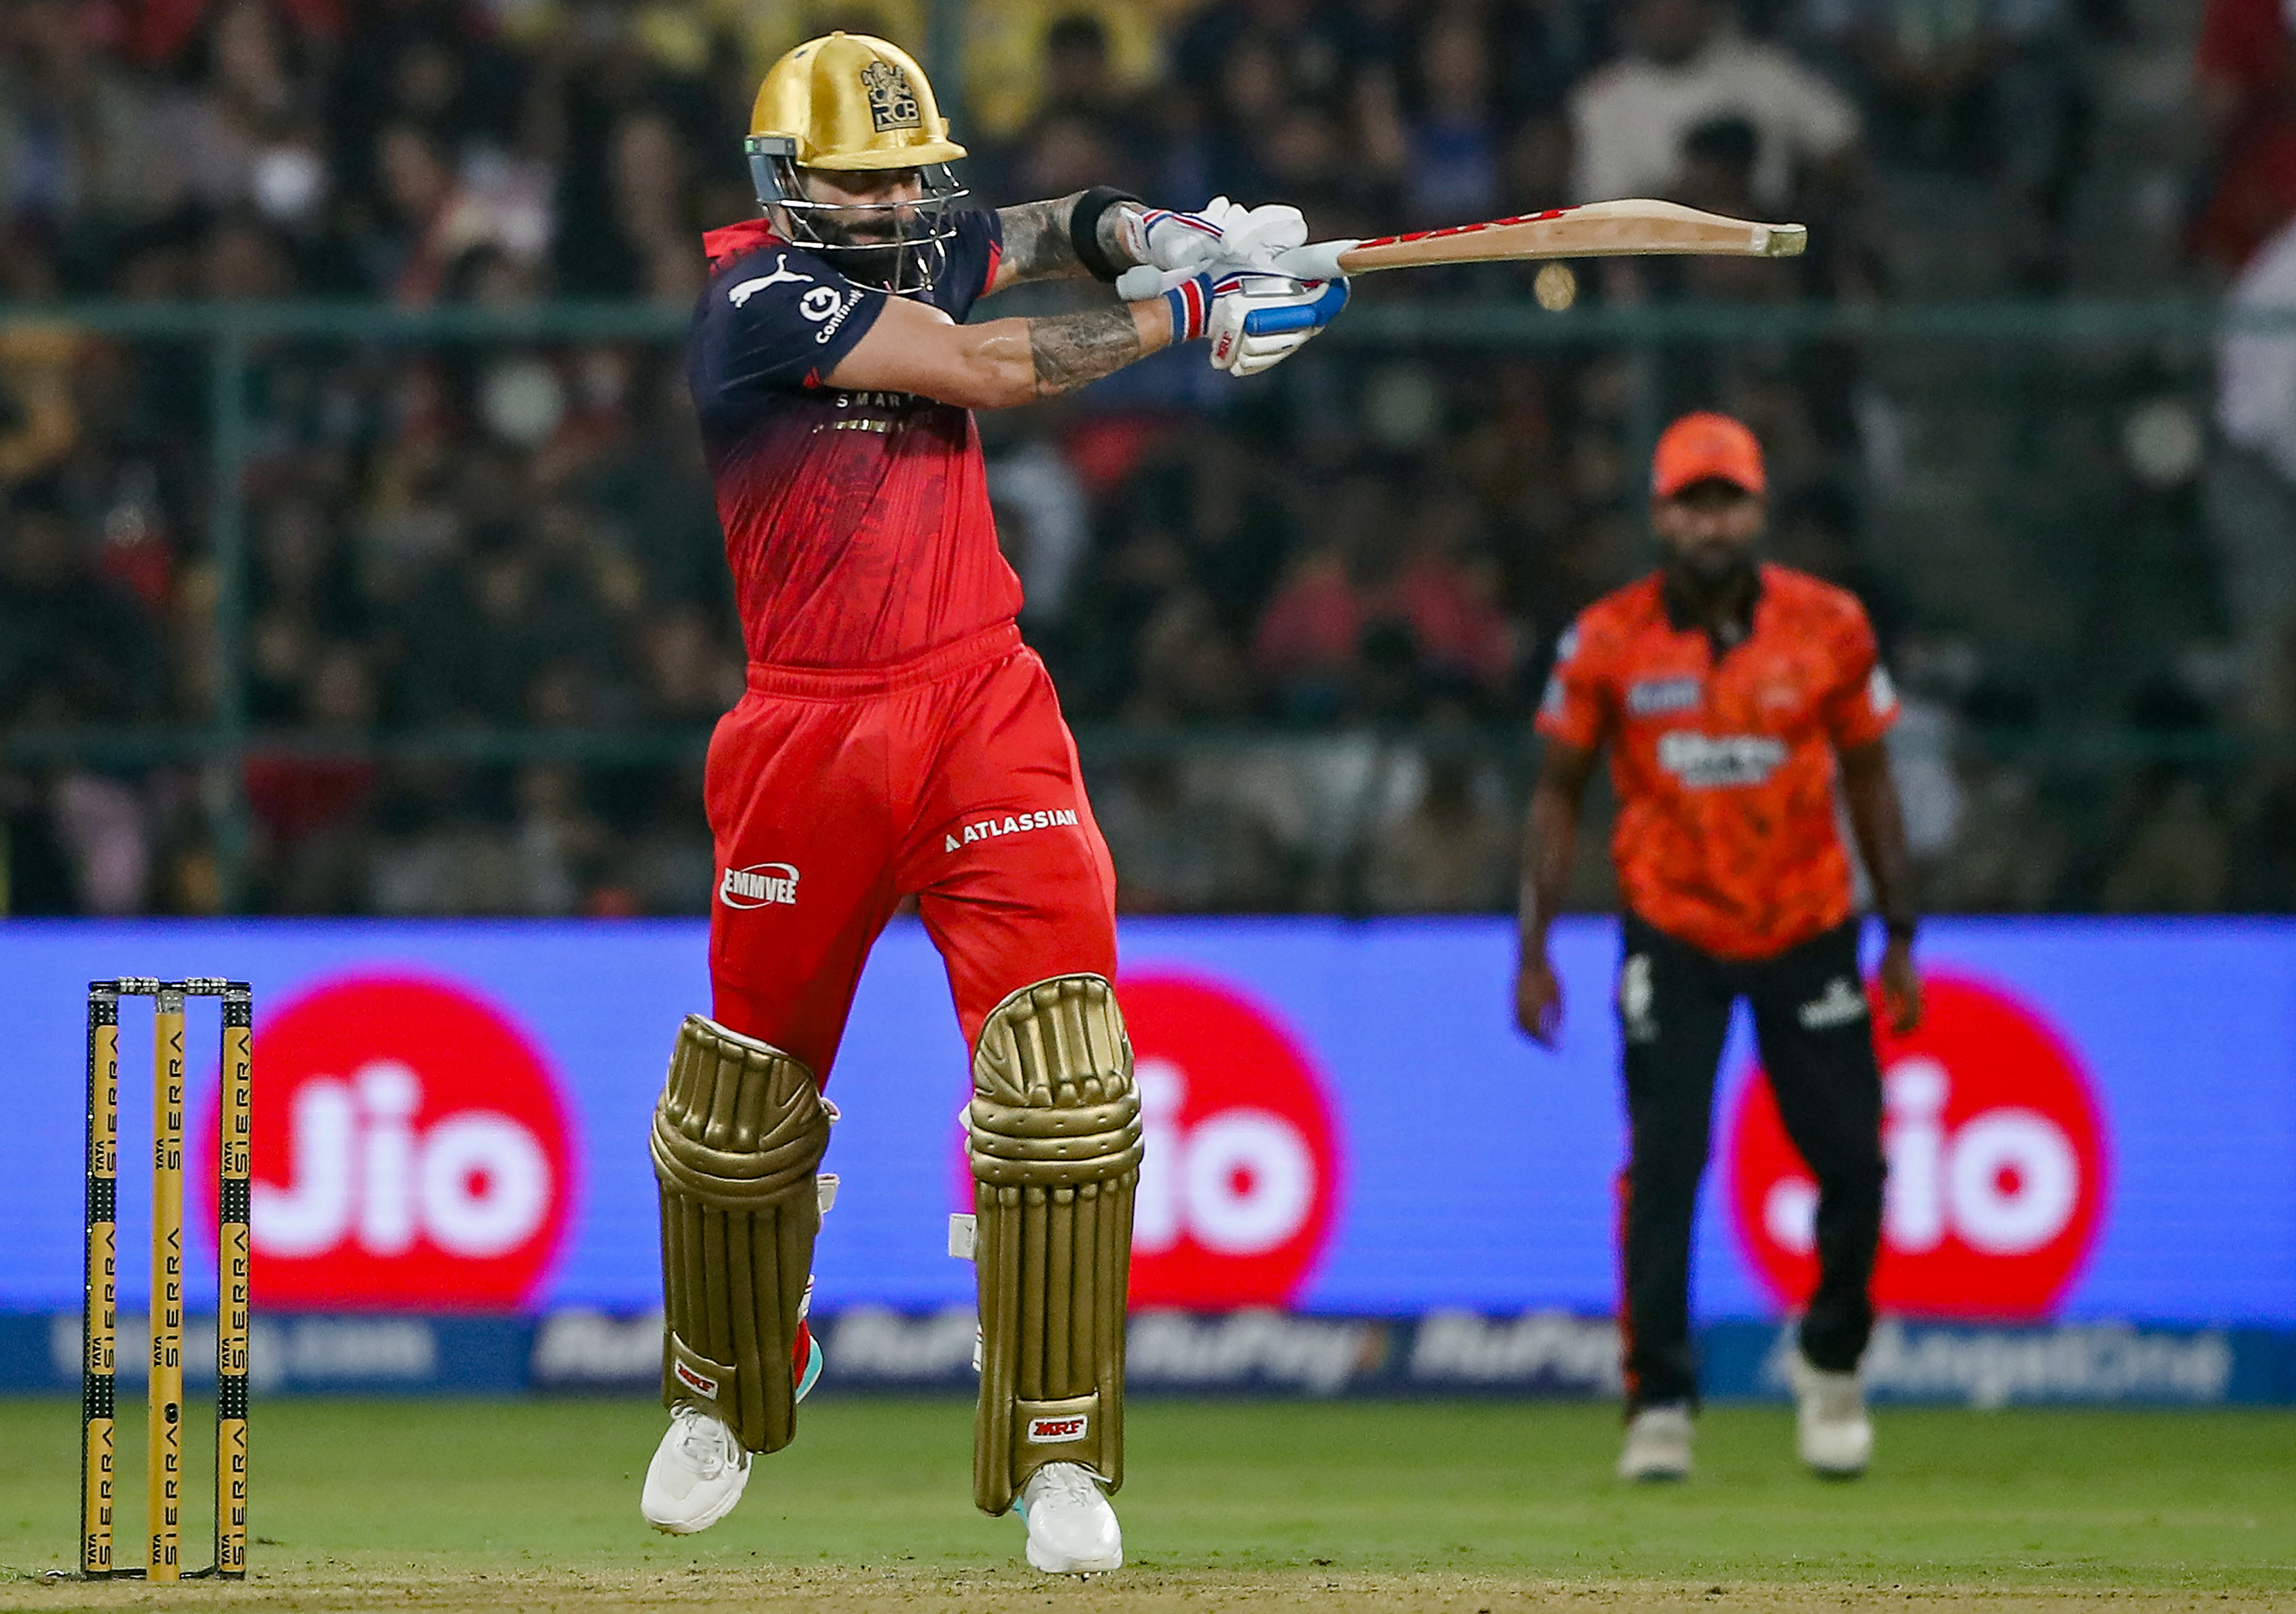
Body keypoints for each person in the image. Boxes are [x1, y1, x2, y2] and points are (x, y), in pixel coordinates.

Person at [636, 31, 1347, 1574]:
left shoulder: (922, 240)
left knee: (1060, 1082)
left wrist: (1172, 234)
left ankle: (1059, 1448)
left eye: (910, 174)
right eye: (859, 177)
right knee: (743, 1101)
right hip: (804, 736)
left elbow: (1056, 225)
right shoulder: (758, 304)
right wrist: (1194, 315)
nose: (896, 203)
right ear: (785, 182)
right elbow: (988, 364)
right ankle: (725, 1392)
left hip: (979, 708)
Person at [1514, 411, 1922, 1484]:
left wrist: (1904, 933)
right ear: (1658, 513)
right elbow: (1556, 795)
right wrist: (1535, 943)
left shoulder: (1830, 626)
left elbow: (1874, 783)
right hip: (1674, 927)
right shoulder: (1606, 638)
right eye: (1691, 501)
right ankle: (1661, 1399)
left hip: (1809, 924)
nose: (1710, 522)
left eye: (1727, 499)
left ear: (1758, 508)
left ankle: (1831, 1363)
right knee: (1664, 1168)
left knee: (1854, 1164)